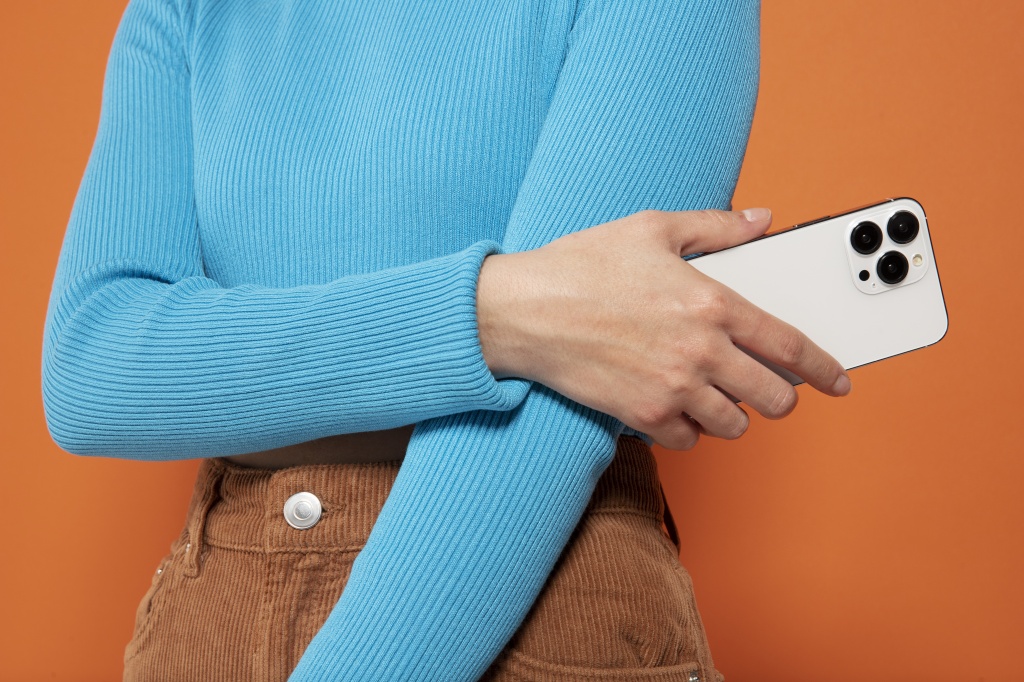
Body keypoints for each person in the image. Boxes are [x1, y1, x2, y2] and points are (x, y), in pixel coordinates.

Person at [41, 0, 850, 680]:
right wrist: (496, 312)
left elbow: (565, 409)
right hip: (212, 624)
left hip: (541, 596)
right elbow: (93, 367)